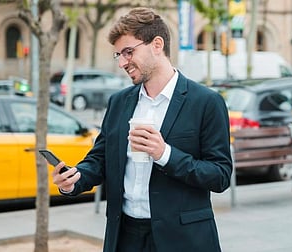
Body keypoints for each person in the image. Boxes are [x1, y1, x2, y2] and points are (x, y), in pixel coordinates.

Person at [52, 7, 232, 252]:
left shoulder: (206, 102)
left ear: (157, 45)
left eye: (128, 52)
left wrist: (164, 154)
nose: (123, 62)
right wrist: (74, 179)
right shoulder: (119, 102)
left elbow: (220, 175)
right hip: (125, 236)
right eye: (119, 55)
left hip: (183, 239)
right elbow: (99, 158)